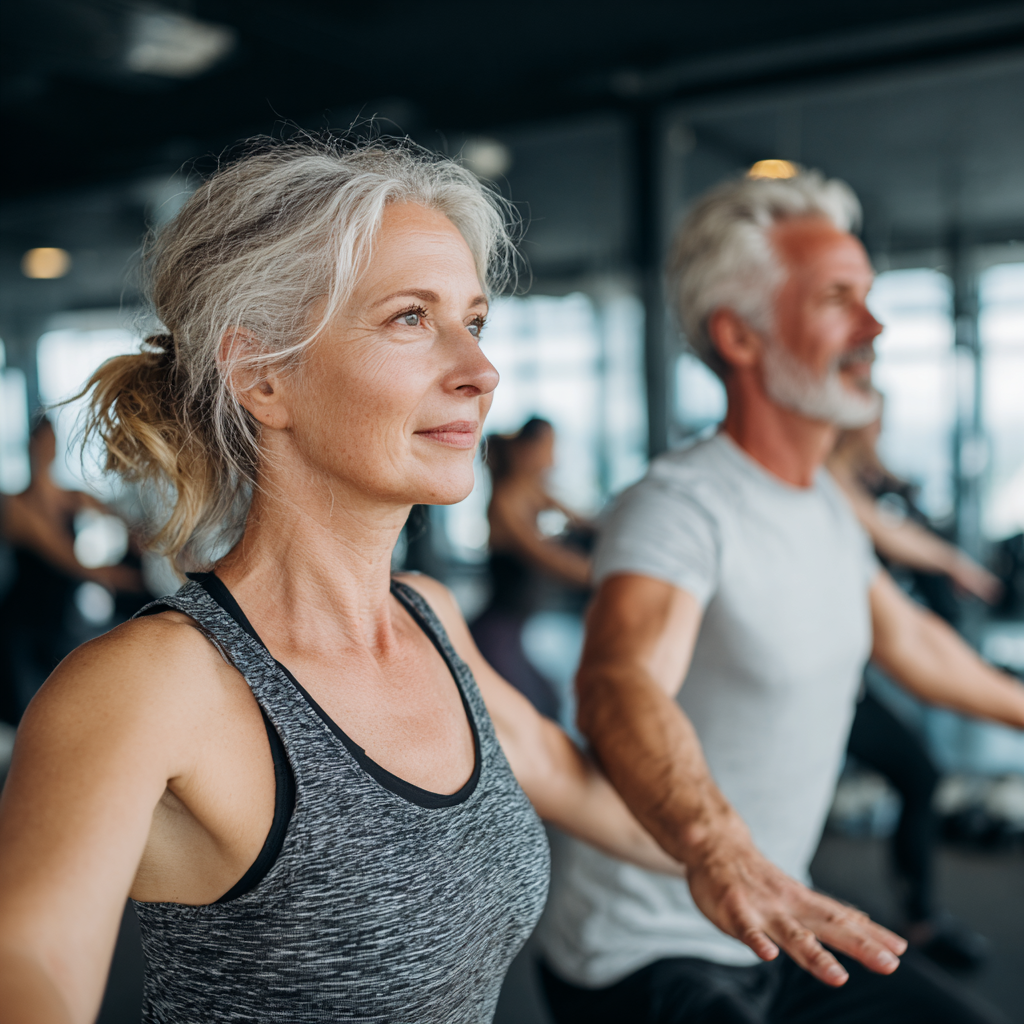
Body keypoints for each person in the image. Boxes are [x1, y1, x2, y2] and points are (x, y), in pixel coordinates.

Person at [0, 138, 708, 1024]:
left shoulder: (431, 617)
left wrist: (734, 866)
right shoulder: (151, 686)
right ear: (263, 377)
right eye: (411, 317)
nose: (480, 371)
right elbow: (25, 964)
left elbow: (568, 780)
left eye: (475, 322)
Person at [537, 169, 1024, 1023]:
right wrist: (718, 848)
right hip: (649, 954)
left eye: (870, 296)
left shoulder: (825, 507)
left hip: (783, 920)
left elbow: (915, 645)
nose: (874, 325)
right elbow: (620, 684)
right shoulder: (680, 506)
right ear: (741, 336)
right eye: (839, 298)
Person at [829, 414, 1000, 968]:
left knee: (918, 774)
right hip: (820, 687)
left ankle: (918, 918)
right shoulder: (821, 481)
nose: (877, 429)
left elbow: (913, 641)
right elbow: (886, 533)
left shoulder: (846, 476)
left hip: (839, 682)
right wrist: (951, 560)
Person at [0, 419, 142, 724]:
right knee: (28, 719)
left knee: (59, 713)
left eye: (54, 442)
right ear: (31, 445)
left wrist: (143, 538)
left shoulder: (72, 497)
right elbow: (64, 557)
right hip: (23, 626)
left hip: (59, 620)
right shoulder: (15, 505)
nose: (49, 450)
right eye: (44, 442)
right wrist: (120, 577)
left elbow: (118, 515)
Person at [471, 417, 591, 718]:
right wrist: (611, 577)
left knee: (548, 702)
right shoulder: (506, 499)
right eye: (548, 448)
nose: (554, 458)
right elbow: (546, 557)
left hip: (519, 627)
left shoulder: (534, 491)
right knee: (533, 710)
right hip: (498, 629)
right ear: (526, 450)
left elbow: (586, 521)